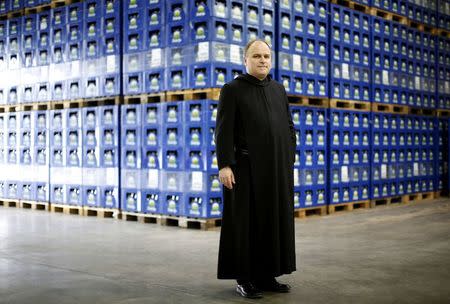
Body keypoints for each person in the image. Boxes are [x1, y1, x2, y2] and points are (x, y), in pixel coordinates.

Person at [215, 39, 297, 299]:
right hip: (246, 170)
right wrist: (225, 164)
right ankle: (244, 278)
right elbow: (223, 130)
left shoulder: (278, 90)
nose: (263, 60)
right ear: (246, 60)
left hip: (275, 169)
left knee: (271, 222)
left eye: (266, 56)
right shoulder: (233, 90)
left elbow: (289, 126)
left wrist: (289, 157)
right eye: (257, 56)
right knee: (246, 224)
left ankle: (266, 274)